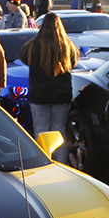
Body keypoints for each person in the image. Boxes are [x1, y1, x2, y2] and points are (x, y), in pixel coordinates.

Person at [19, 13, 80, 163]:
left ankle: (44, 163)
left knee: (41, 130)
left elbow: (23, 58)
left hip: (39, 95)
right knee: (59, 131)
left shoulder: (32, 46)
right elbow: (74, 62)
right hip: (61, 94)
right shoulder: (67, 46)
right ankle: (61, 164)